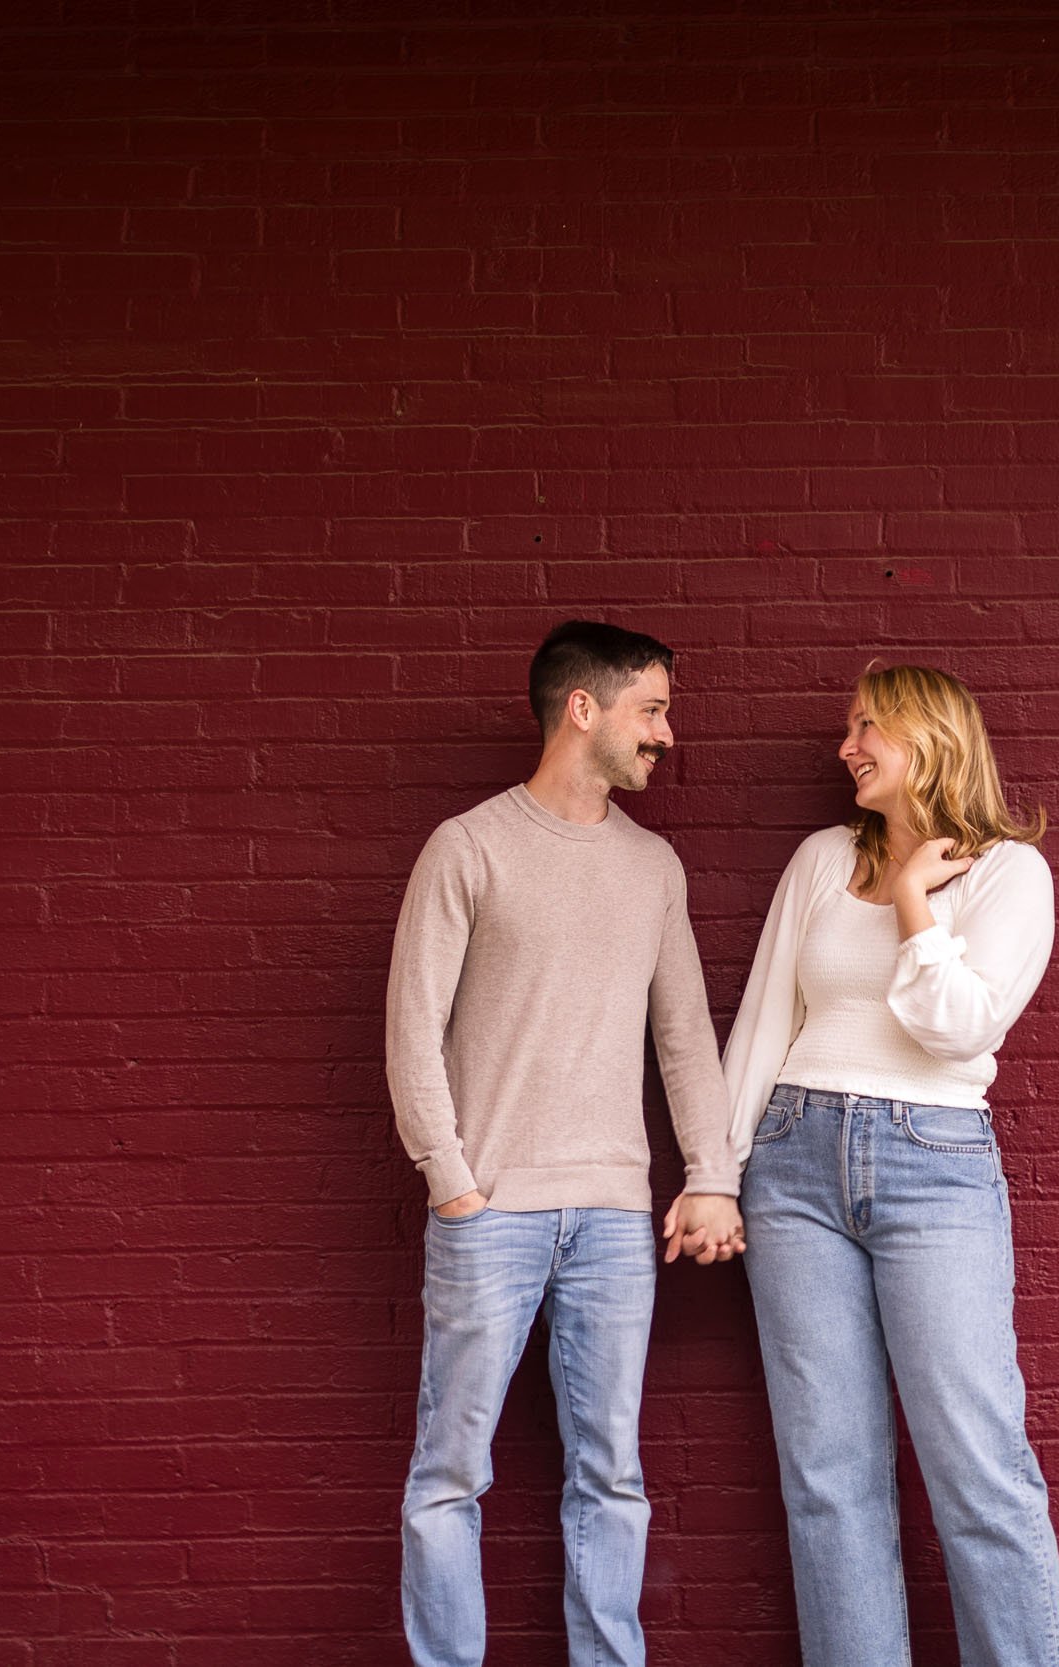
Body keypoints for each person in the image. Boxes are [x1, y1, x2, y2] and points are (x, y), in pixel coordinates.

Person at [385, 619, 747, 1667]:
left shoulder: (652, 865)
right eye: (652, 708)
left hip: (613, 1221)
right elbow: (412, 1030)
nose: (666, 735)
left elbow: (684, 1038)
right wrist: (452, 1181)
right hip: (488, 1211)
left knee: (613, 1476)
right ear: (582, 708)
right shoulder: (469, 847)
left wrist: (711, 1174)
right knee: (451, 1471)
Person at [720, 663, 1059, 1666]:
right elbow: (761, 1024)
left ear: (930, 737)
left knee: (978, 1461)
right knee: (827, 1475)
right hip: (791, 1163)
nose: (847, 746)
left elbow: (956, 1033)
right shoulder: (822, 858)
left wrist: (916, 897)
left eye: (867, 726)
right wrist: (716, 1167)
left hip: (933, 1164)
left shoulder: (1009, 872)